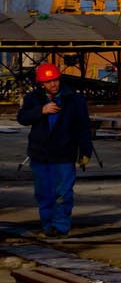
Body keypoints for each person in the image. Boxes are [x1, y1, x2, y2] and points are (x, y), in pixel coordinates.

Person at [16, 61, 92, 239]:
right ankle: (48, 225)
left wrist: (85, 151)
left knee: (64, 193)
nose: (53, 84)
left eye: (56, 80)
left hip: (64, 154)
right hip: (40, 155)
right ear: (41, 84)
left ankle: (60, 226)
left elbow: (83, 127)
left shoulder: (74, 100)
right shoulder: (33, 99)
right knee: (44, 193)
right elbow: (22, 118)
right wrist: (41, 110)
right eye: (49, 82)